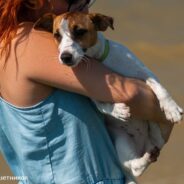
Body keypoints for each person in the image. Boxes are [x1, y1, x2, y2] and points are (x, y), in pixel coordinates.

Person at [0, 0, 170, 184]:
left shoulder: (8, 41)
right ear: (34, 2)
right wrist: (165, 113)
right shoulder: (30, 43)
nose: (85, 6)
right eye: (72, 0)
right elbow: (130, 93)